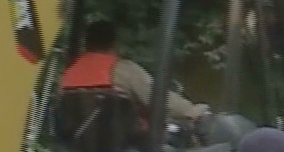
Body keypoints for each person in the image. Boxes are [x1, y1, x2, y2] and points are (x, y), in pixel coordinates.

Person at [61, 19, 210, 124]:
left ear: (86, 42)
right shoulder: (125, 70)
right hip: (122, 148)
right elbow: (157, 98)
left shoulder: (68, 72)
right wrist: (190, 111)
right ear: (114, 42)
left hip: (75, 147)